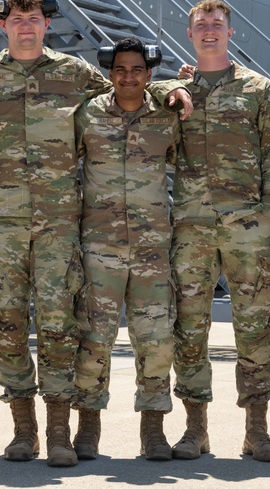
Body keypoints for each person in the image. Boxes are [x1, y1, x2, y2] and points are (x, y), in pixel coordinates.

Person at [0, 0, 191, 467]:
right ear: (2, 24)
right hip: (0, 221)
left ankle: (61, 431)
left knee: (61, 327)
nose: (26, 25)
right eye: (17, 18)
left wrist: (172, 87)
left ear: (47, 24)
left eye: (35, 18)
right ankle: (24, 431)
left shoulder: (74, 73)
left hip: (60, 225)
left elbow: (127, 89)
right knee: (7, 325)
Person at [170, 0, 270, 462]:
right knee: (190, 326)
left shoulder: (258, 89)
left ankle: (256, 431)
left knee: (254, 326)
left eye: (217, 25)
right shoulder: (176, 89)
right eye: (201, 25)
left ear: (230, 32)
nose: (209, 32)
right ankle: (194, 430)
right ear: (190, 34)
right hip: (193, 226)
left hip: (247, 227)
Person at [72, 38, 180, 461]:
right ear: (110, 72)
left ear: (149, 74)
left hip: (153, 247)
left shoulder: (168, 119)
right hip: (100, 247)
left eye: (137, 69)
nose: (128, 76)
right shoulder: (88, 115)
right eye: (120, 69)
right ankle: (87, 427)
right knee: (94, 338)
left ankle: (153, 428)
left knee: (155, 339)